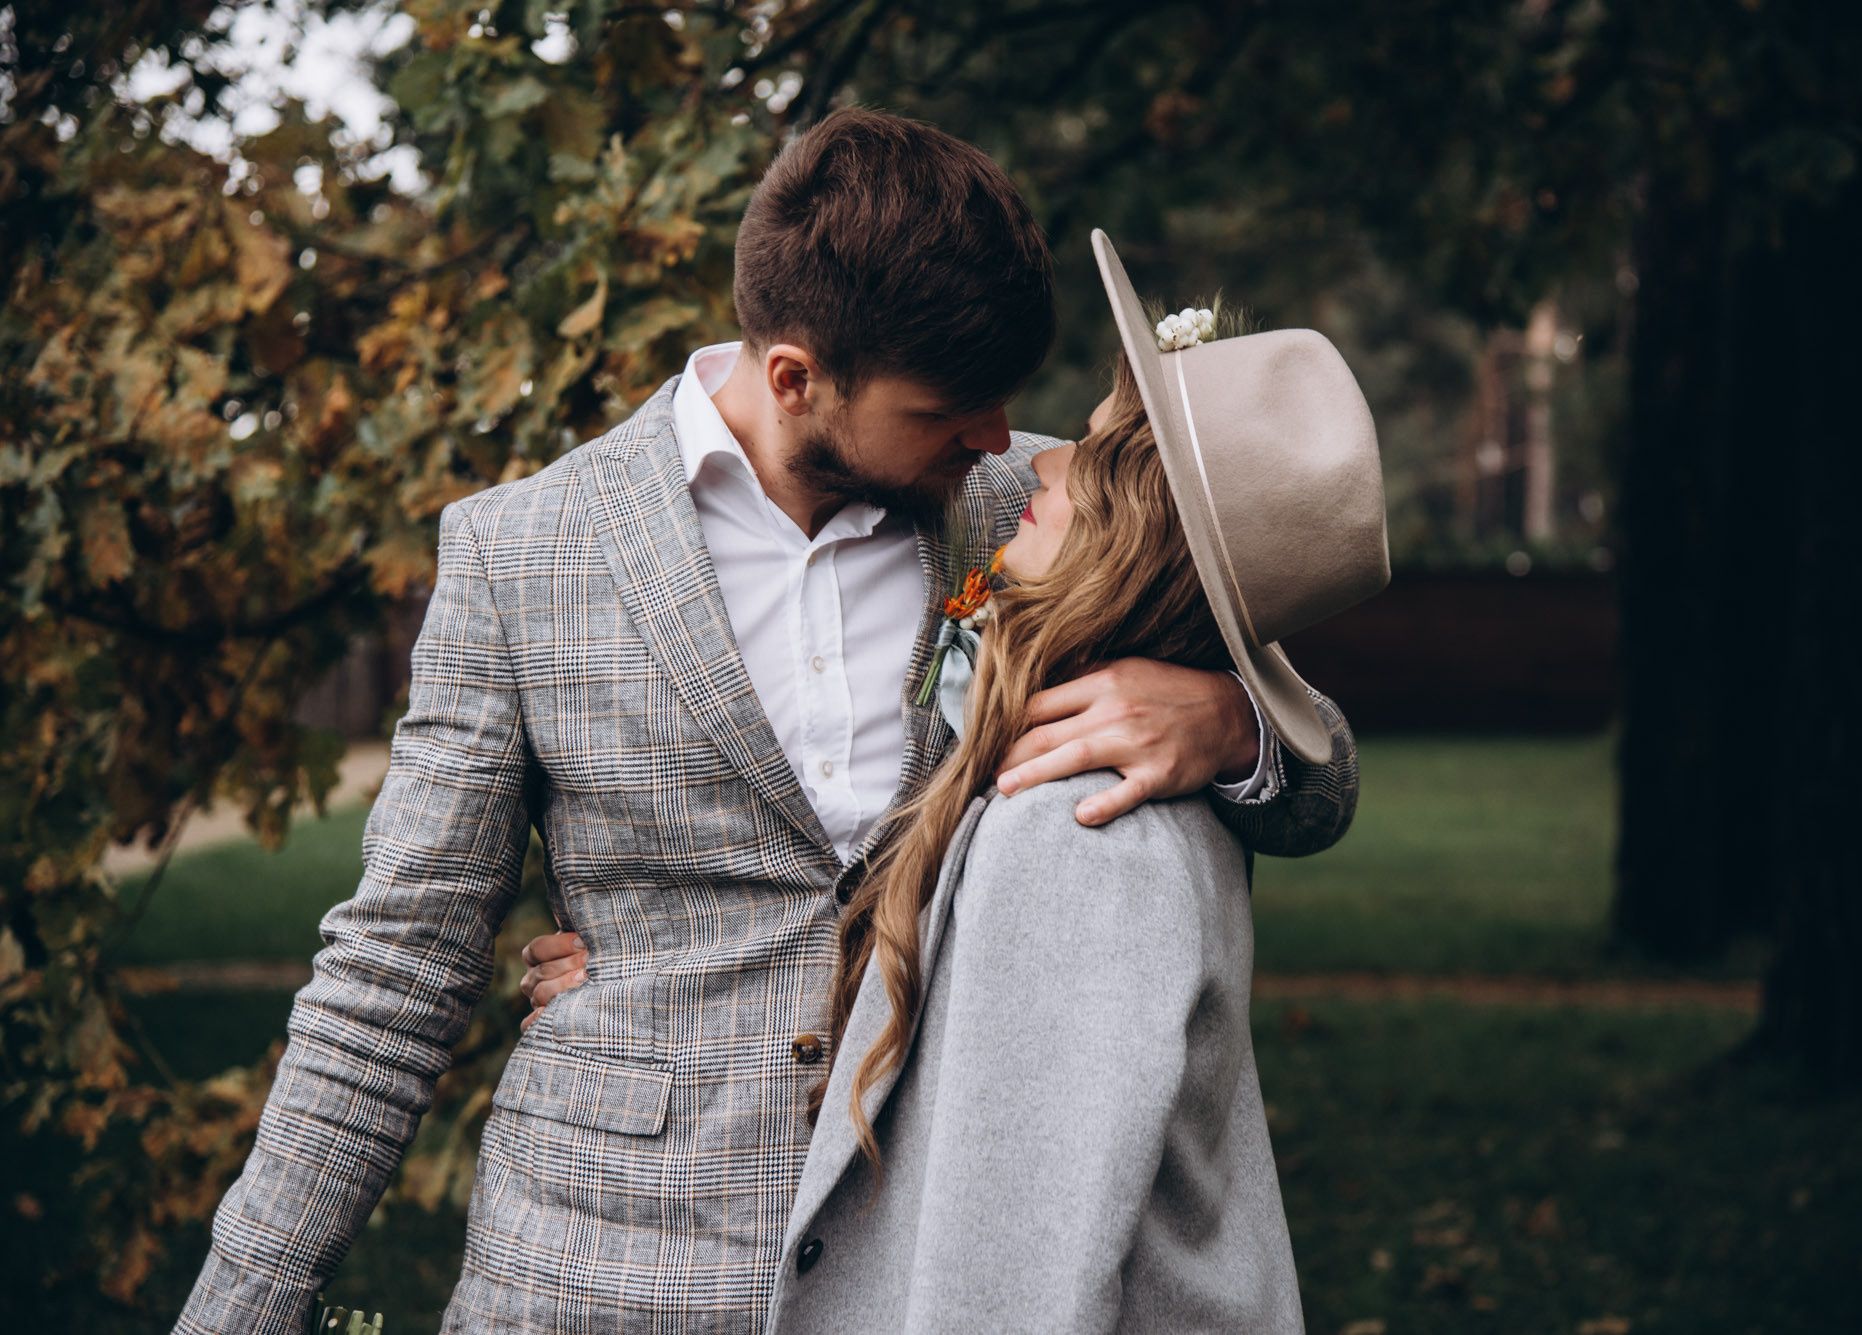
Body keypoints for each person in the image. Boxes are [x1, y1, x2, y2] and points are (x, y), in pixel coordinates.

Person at [175, 114, 1361, 1335]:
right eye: (950, 407)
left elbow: (1324, 786)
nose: (997, 436)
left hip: (919, 1268)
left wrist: (1230, 725)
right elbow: (394, 967)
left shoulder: (1038, 510)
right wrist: (242, 1305)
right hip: (598, 1272)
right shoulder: (520, 552)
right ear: (794, 376)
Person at [761, 231, 1389, 1332]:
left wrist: (1241, 719)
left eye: (1086, 455)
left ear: (1133, 544)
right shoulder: (1114, 780)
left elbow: (1012, 1280)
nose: (1032, 464)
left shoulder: (1080, 826)